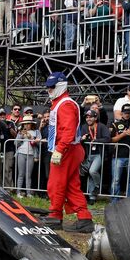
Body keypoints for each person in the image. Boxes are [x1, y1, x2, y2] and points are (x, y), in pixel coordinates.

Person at [42, 72, 94, 232]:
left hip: (66, 149)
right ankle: (84, 218)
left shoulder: (65, 104)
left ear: (60, 86)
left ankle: (55, 216)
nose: (49, 90)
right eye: (48, 87)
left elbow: (68, 130)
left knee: (56, 183)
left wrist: (59, 149)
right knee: (72, 186)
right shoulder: (62, 103)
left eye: (51, 87)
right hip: (68, 148)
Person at [109, 103, 130, 199]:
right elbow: (111, 140)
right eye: (125, 112)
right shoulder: (115, 124)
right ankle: (115, 201)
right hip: (118, 156)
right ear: (121, 113)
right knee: (116, 180)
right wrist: (123, 134)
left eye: (128, 112)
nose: (126, 114)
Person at [78, 109, 111, 204]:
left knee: (93, 171)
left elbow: (108, 138)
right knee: (89, 174)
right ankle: (92, 197)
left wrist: (96, 140)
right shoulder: (84, 127)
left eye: (91, 117)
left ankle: (97, 187)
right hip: (87, 154)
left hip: (98, 154)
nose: (88, 119)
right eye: (87, 117)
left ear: (95, 118)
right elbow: (78, 139)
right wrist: (82, 139)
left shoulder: (101, 126)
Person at [14, 115, 41, 197]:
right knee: (21, 174)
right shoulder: (20, 132)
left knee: (28, 175)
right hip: (21, 153)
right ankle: (18, 192)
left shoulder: (36, 132)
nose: (26, 125)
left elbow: (40, 143)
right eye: (25, 124)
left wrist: (31, 137)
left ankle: (28, 193)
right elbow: (15, 143)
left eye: (28, 123)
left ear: (32, 124)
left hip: (31, 154)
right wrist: (20, 136)